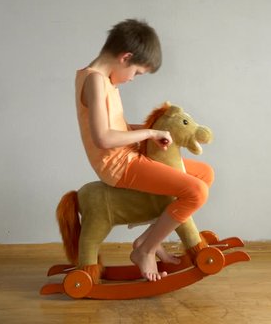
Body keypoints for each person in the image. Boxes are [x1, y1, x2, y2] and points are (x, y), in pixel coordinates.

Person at [74, 19, 214, 281]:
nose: (133, 79)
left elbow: (118, 127)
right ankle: (146, 249)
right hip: (119, 166)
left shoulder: (104, 80)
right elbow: (103, 138)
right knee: (196, 191)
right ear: (125, 57)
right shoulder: (94, 81)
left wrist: (158, 131)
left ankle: (150, 237)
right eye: (137, 73)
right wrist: (150, 133)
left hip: (129, 154)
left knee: (203, 173)